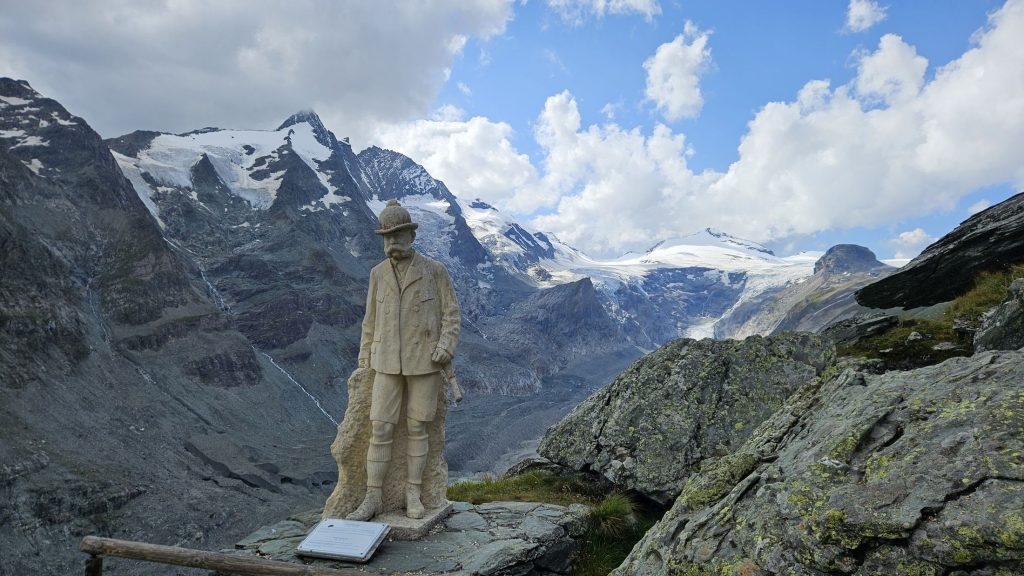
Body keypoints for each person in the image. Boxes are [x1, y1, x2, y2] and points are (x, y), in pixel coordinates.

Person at [347, 199, 460, 520]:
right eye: (387, 237)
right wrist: (364, 357)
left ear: (412, 235)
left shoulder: (435, 271)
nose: (392, 242)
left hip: (424, 363)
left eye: (398, 235)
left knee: (417, 427)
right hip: (384, 361)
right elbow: (369, 321)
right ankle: (373, 497)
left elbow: (451, 314)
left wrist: (446, 346)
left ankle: (413, 492)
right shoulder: (377, 274)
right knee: (380, 427)